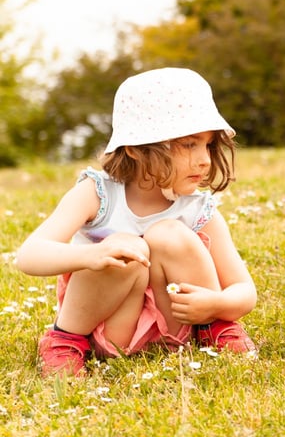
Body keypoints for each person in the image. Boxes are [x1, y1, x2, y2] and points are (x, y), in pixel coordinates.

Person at [16, 67, 258, 377]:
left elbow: (244, 291)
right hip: (113, 330)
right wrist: (92, 255)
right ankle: (65, 340)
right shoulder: (97, 193)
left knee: (170, 234)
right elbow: (29, 255)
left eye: (208, 145)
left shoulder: (197, 208)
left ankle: (217, 329)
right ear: (136, 148)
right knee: (123, 248)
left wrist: (216, 305)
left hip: (178, 329)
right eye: (189, 145)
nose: (205, 160)